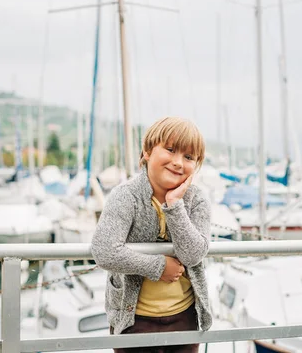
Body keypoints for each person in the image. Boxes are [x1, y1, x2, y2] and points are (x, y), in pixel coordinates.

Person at [91, 117, 212, 353]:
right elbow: (104, 251)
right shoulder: (125, 196)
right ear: (147, 151)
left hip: (184, 318)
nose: (178, 162)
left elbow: (194, 254)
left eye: (188, 157)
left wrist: (174, 204)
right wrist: (158, 266)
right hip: (133, 320)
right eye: (170, 150)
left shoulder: (197, 199)